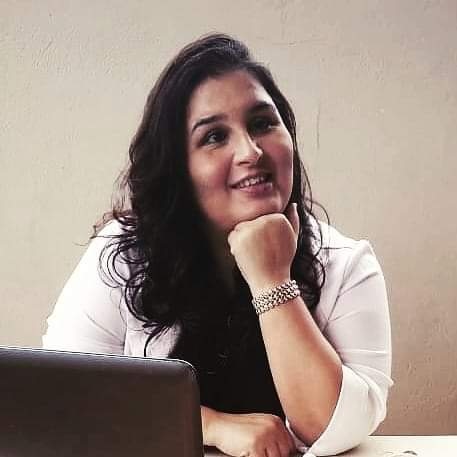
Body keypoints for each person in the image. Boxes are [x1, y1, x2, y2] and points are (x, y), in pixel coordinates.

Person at [42, 33, 393, 457]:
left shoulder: (346, 263)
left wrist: (271, 280)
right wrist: (211, 425)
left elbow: (335, 427)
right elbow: (63, 396)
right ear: (178, 167)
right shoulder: (121, 255)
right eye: (214, 137)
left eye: (262, 123)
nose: (250, 151)